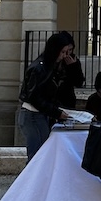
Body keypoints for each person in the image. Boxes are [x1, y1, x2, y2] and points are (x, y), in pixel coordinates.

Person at [17, 31, 84, 161]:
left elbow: (77, 82)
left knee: (42, 155)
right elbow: (35, 96)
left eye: (69, 51)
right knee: (38, 157)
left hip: (47, 112)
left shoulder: (50, 66)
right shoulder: (41, 67)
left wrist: (73, 67)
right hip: (35, 114)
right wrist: (56, 112)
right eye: (64, 51)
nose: (66, 55)